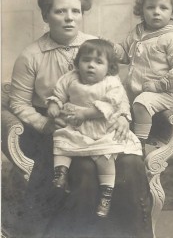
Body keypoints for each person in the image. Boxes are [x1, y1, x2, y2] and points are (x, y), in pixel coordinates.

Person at [9, 0, 153, 238]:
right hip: (60, 129)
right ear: (46, 15)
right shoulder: (31, 55)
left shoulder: (97, 45)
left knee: (131, 163)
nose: (69, 18)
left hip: (103, 123)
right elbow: (18, 102)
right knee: (84, 170)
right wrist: (44, 124)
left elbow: (116, 90)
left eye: (75, 11)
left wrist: (123, 116)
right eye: (60, 11)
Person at [47, 39, 142, 218]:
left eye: (99, 62)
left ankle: (106, 194)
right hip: (76, 126)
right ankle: (60, 174)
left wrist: (86, 114)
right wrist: (54, 104)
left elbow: (112, 103)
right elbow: (59, 92)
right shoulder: (70, 78)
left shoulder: (112, 82)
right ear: (77, 63)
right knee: (62, 141)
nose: (91, 65)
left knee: (105, 157)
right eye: (86, 60)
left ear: (110, 67)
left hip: (102, 128)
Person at [114, 0, 173, 154]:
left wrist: (158, 85)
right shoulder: (138, 31)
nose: (156, 12)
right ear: (142, 10)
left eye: (163, 8)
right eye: (150, 7)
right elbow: (125, 54)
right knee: (113, 97)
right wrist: (111, 48)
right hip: (134, 88)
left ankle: (139, 144)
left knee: (142, 102)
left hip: (164, 92)